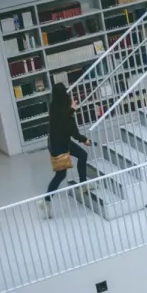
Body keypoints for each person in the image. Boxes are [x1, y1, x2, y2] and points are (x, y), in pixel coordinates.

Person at [42, 85, 90, 218]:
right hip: (60, 146)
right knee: (60, 175)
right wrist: (84, 139)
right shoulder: (65, 111)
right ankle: (46, 200)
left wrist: (71, 110)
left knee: (82, 155)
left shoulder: (54, 106)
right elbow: (72, 131)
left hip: (55, 142)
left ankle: (83, 185)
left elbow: (64, 118)